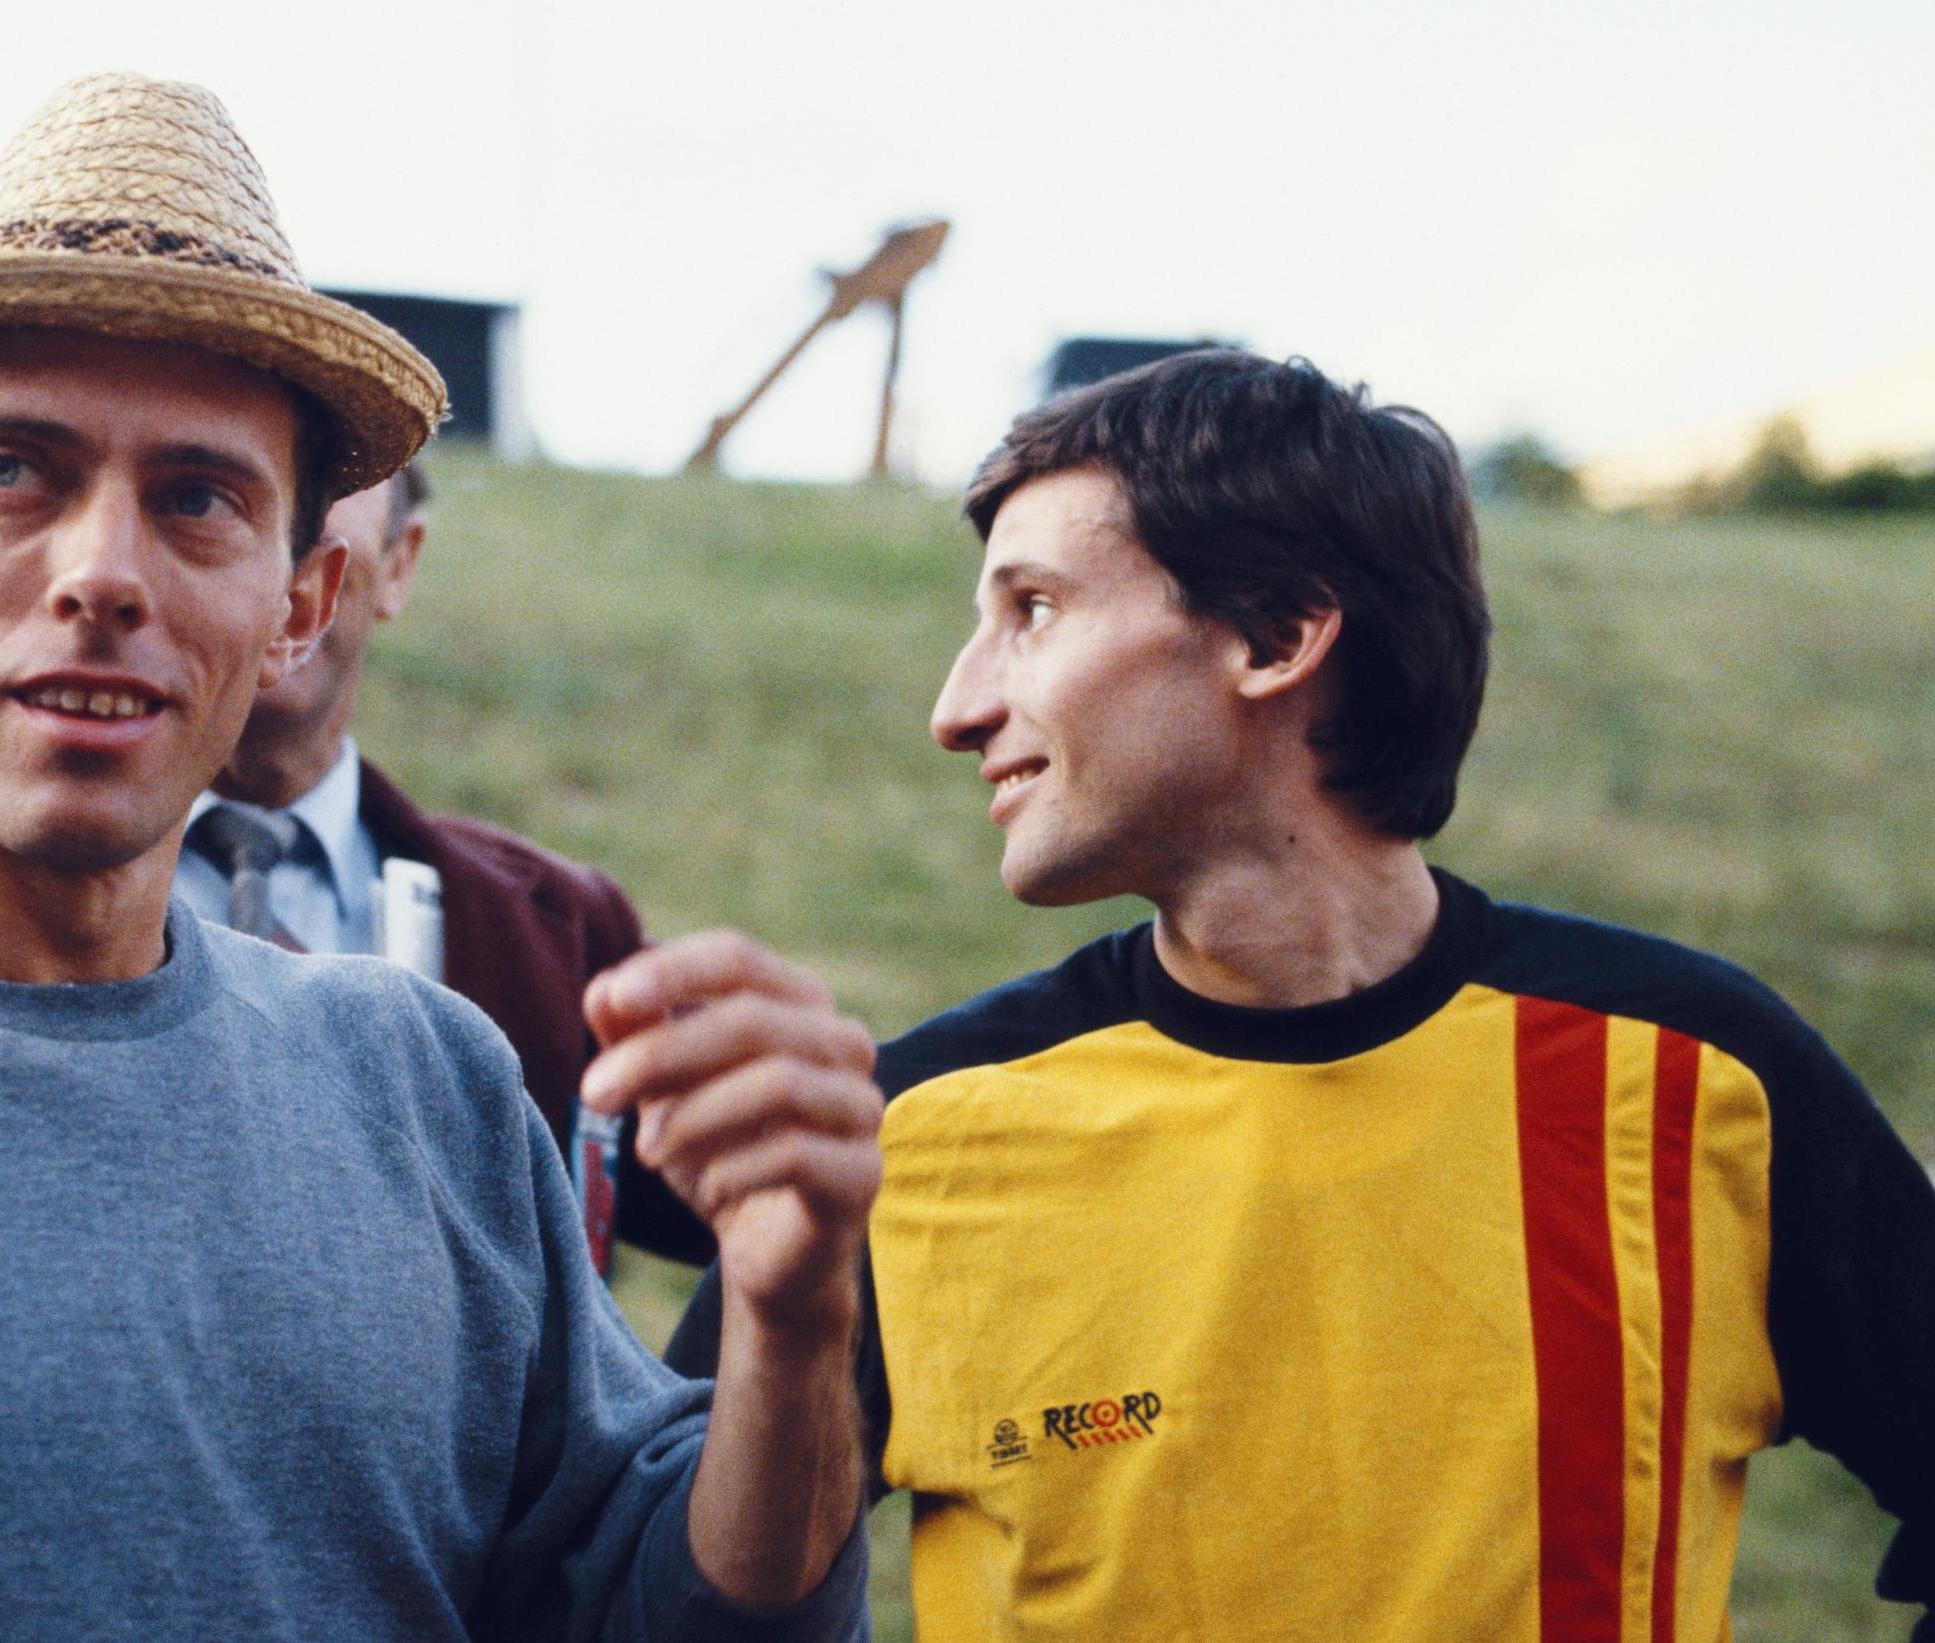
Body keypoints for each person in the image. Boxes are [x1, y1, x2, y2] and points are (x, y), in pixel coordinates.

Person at [0, 72, 877, 1641]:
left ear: (300, 605)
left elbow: (676, 1611)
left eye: (197, 496)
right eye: (15, 468)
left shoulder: (431, 1093)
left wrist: (794, 1318)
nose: (102, 573)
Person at [668, 348, 1935, 1639]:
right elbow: (671, 1604)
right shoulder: (909, 1129)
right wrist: (787, 1316)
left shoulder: (1699, 1075)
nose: (958, 707)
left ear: (1276, 634)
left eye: (1033, 609)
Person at [0, 462, 712, 1267]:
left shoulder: (555, 928)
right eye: (202, 495)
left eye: (320, 480)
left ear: (381, 567)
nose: (271, 541)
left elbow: (747, 1244)